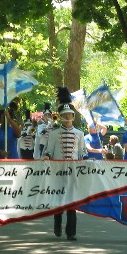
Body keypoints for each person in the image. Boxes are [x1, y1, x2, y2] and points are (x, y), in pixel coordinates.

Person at [42, 87, 85, 241]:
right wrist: (46, 157)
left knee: (72, 201)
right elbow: (48, 150)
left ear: (73, 115)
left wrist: (86, 161)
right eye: (65, 114)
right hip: (58, 171)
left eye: (70, 114)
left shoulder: (80, 134)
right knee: (59, 200)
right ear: (61, 116)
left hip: (73, 171)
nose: (68, 116)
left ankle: (71, 232)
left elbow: (82, 152)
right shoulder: (54, 133)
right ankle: (57, 224)